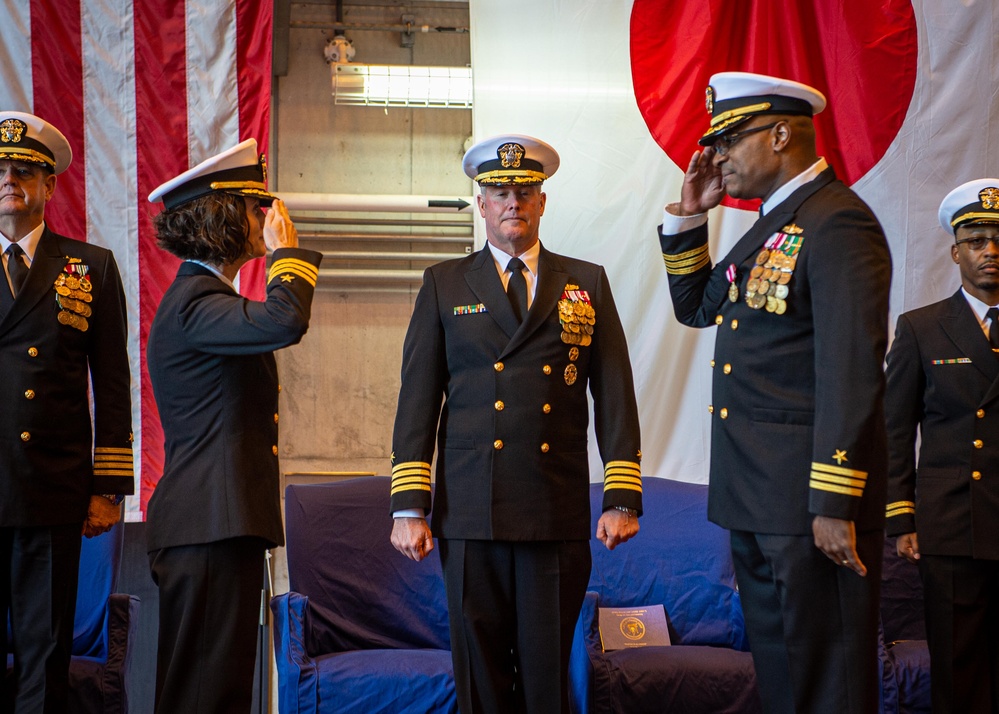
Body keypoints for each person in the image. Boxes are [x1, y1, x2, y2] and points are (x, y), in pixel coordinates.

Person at [657, 73, 891, 713]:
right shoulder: (775, 224)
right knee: (785, 682)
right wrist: (691, 214)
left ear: (781, 134)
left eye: (730, 139)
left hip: (807, 506)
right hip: (758, 500)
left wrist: (834, 499)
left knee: (828, 684)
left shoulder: (838, 221)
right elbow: (698, 308)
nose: (718, 156)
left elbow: (852, 365)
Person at [390, 134, 642, 714]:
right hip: (471, 514)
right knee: (480, 682)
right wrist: (409, 506)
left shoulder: (586, 282)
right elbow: (418, 401)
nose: (513, 203)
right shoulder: (445, 284)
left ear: (542, 202)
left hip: (551, 514)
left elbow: (615, 392)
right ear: (481, 203)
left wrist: (621, 495)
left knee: (546, 681)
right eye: (500, 191)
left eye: (524, 192)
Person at [145, 138, 322, 713]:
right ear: (219, 216)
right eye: (254, 208)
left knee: (215, 691)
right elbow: (283, 319)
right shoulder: (197, 302)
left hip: (218, 525)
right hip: (208, 525)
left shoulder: (205, 300)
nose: (266, 220)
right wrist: (285, 257)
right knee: (203, 695)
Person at [0, 111, 133, 711]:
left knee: (44, 652)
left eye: (24, 169)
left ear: (49, 184)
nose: (9, 178)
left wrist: (108, 486)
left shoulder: (90, 267)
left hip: (49, 488)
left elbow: (111, 383)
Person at [885, 178, 999, 714]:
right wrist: (901, 514)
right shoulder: (922, 329)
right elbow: (893, 430)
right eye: (977, 240)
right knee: (958, 665)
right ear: (956, 252)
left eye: (998, 238)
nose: (990, 251)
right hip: (954, 521)